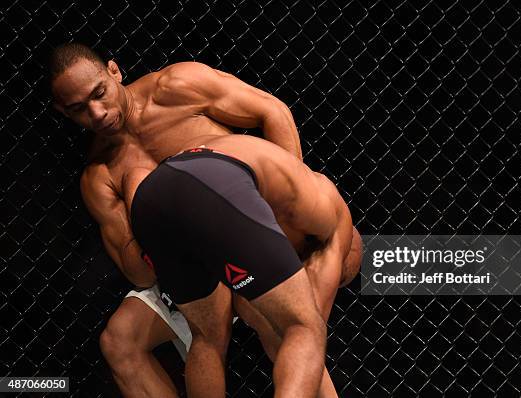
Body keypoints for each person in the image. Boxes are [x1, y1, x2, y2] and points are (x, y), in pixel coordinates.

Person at [49, 42, 361, 397]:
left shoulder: (175, 86)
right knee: (120, 340)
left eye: (99, 93)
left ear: (114, 71)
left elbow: (272, 111)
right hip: (184, 263)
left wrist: (277, 223)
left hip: (245, 225)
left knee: (280, 316)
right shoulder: (100, 175)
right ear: (64, 112)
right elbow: (138, 270)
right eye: (79, 109)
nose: (97, 112)